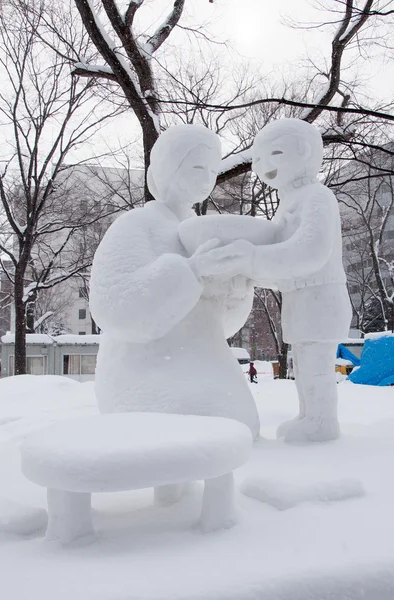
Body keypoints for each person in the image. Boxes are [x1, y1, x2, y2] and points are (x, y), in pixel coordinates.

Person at [89, 124, 260, 442]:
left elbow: (217, 327)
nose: (207, 177)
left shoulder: (204, 233)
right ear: (167, 169)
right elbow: (115, 307)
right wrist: (190, 272)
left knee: (237, 432)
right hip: (148, 370)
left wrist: (234, 292)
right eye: (196, 166)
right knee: (193, 437)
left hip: (204, 363)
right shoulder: (136, 225)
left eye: (212, 169)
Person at [193, 118, 352, 443]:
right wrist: (246, 269)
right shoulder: (290, 203)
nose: (264, 166)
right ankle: (311, 417)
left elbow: (309, 252)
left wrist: (249, 257)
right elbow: (283, 266)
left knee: (316, 369)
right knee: (305, 366)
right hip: (303, 298)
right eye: (259, 158)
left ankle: (321, 422)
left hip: (321, 298)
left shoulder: (316, 197)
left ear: (305, 152)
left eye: (275, 153)